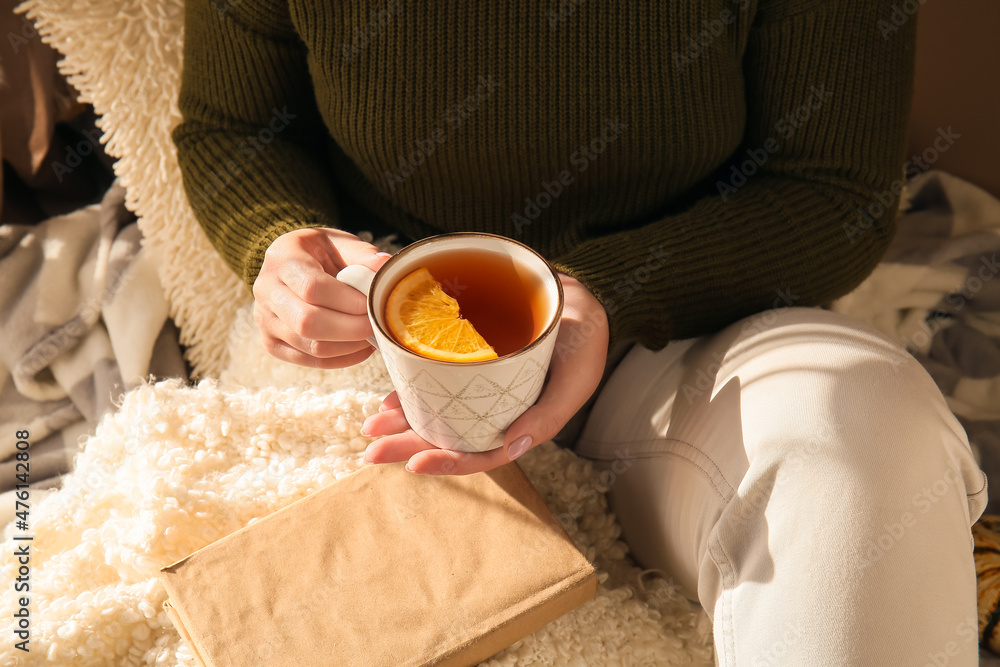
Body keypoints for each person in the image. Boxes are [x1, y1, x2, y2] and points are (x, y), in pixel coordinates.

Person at [174, 1, 988, 663]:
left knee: (863, 432)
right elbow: (236, 127)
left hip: (688, 339)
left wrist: (609, 293)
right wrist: (279, 242)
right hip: (387, 361)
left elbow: (834, 191)